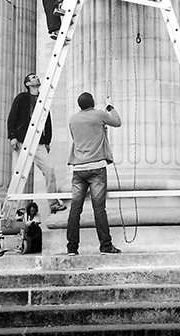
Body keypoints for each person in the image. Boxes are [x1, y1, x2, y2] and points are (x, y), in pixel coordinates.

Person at [66, 92, 122, 255]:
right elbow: (117, 122)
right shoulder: (99, 115)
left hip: (78, 169)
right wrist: (110, 107)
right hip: (97, 167)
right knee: (99, 209)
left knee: (75, 210)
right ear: (92, 103)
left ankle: (72, 248)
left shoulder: (73, 119)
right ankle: (105, 246)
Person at [7, 72, 66, 214]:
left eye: (36, 77)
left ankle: (53, 204)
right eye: (33, 77)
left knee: (50, 170)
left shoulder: (43, 99)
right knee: (19, 174)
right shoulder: (21, 98)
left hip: (39, 143)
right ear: (27, 84)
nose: (36, 78)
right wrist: (12, 136)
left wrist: (47, 141)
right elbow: (12, 117)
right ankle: (18, 208)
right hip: (22, 141)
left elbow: (48, 121)